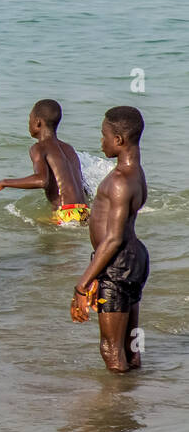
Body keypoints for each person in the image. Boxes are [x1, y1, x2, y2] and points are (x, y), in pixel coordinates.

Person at [70, 107, 147, 373]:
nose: (101, 141)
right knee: (130, 347)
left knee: (110, 351)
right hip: (135, 257)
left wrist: (82, 284)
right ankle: (133, 397)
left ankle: (116, 412)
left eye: (104, 136)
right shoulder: (136, 173)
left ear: (119, 140)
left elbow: (113, 239)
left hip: (117, 261)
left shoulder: (118, 181)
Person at [0, 99, 89, 224]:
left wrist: (3, 182)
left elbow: (42, 180)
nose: (28, 123)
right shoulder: (69, 148)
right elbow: (83, 186)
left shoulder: (39, 147)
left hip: (65, 213)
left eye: (30, 119)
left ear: (37, 122)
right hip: (84, 211)